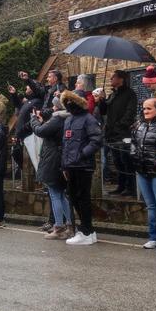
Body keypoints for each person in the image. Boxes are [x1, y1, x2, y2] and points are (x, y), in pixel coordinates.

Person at [60, 91, 102, 245]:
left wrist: (82, 154)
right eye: (67, 102)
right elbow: (65, 145)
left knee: (82, 198)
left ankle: (86, 231)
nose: (69, 105)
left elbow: (96, 140)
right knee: (74, 197)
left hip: (83, 165)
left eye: (72, 102)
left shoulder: (88, 119)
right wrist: (64, 165)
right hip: (71, 166)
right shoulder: (68, 120)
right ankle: (88, 231)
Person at [130, 98, 156, 249]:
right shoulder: (139, 124)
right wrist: (134, 157)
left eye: (149, 108)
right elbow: (133, 143)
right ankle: (153, 237)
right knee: (151, 206)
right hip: (141, 170)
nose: (145, 111)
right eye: (144, 108)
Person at [30, 100, 73, 240]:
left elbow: (40, 131)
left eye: (54, 105)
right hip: (61, 158)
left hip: (53, 159)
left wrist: (34, 120)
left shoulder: (58, 119)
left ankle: (59, 227)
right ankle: (70, 225)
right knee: (61, 195)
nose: (52, 108)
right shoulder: (68, 118)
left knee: (55, 194)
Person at [98, 70, 137, 196]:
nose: (110, 80)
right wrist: (102, 100)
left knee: (126, 159)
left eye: (113, 77)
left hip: (123, 133)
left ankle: (130, 187)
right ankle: (121, 186)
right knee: (117, 161)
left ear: (121, 79)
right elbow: (103, 111)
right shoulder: (113, 94)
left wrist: (120, 125)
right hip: (111, 134)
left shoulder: (130, 94)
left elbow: (130, 113)